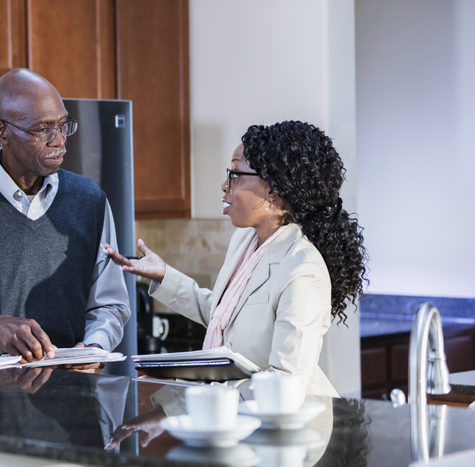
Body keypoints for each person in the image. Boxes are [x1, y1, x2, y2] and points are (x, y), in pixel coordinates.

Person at [105, 121, 368, 397]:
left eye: (235, 174)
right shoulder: (245, 241)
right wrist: (163, 275)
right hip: (245, 423)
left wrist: (194, 375)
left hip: (289, 430)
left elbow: (285, 384)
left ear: (273, 189)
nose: (224, 185)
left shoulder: (303, 269)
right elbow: (226, 316)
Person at [0, 68, 130, 362]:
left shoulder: (90, 200)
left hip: (74, 398)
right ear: (1, 132)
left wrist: (94, 348)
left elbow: (110, 304)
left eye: (63, 125)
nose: (59, 140)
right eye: (42, 129)